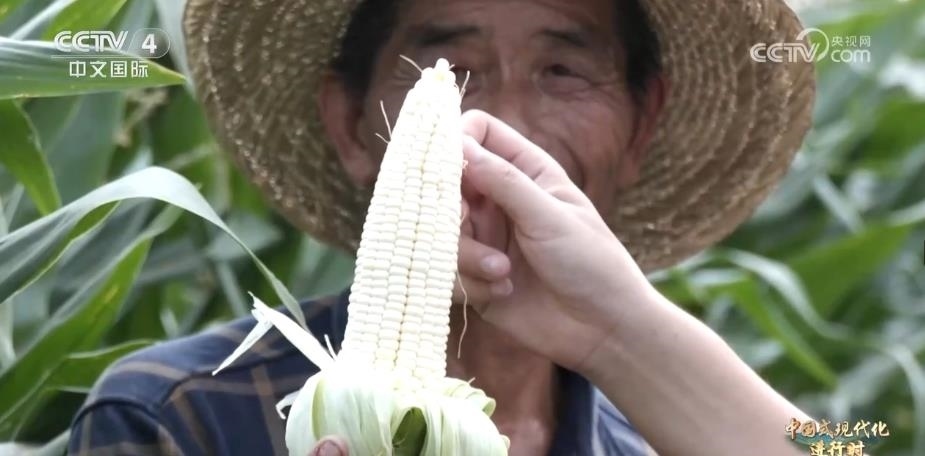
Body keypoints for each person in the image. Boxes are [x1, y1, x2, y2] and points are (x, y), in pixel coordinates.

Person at [67, 0, 818, 455]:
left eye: (561, 72)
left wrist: (619, 332)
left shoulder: (658, 436)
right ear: (349, 124)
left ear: (642, 124)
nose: (504, 128)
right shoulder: (172, 417)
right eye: (450, 70)